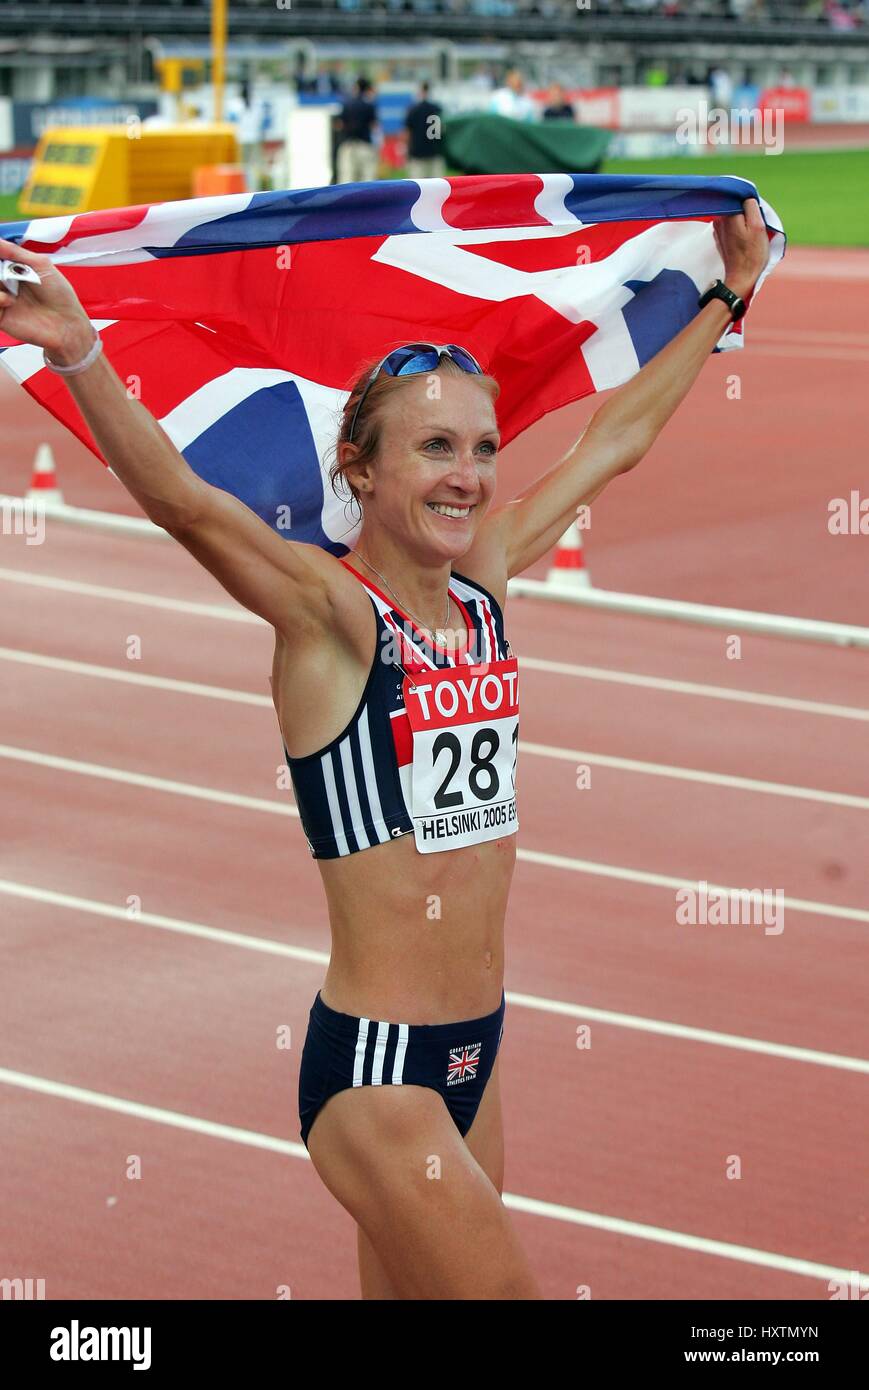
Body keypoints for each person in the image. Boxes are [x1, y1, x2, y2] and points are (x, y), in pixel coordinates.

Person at [0, 197, 770, 1299]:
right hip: (375, 1075)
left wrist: (724, 296)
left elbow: (615, 440)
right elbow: (184, 502)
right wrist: (80, 353)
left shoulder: (485, 586)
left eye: (481, 448)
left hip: (475, 1056)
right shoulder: (329, 615)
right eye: (434, 448)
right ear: (357, 471)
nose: (467, 474)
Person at [335, 76, 380, 185]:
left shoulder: (346, 104)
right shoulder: (369, 105)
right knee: (367, 180)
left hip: (348, 145)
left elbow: (339, 124)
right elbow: (374, 126)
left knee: (347, 180)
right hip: (365, 145)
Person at [404, 81, 446, 178]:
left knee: (418, 185)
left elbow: (407, 132)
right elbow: (443, 129)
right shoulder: (437, 108)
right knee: (437, 185)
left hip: (417, 152)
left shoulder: (413, 109)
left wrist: (407, 149)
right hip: (435, 150)